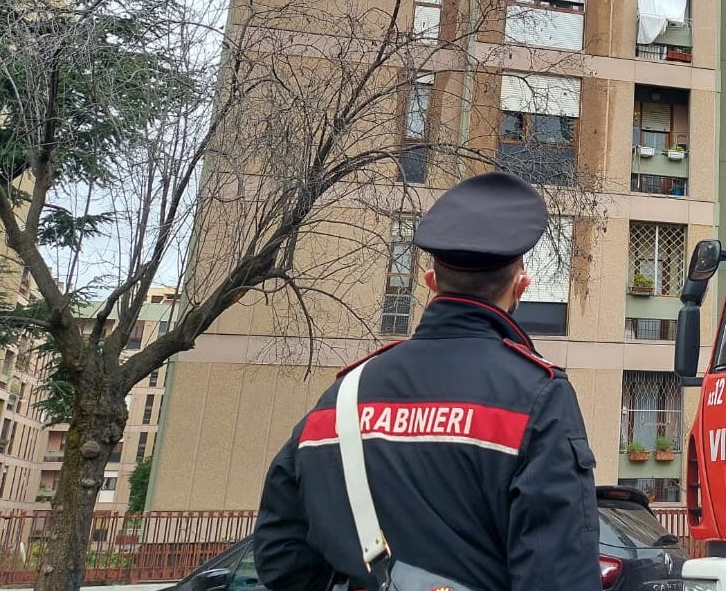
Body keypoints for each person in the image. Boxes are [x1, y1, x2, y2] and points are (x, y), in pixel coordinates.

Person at [255, 172, 600, 591]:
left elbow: (279, 553)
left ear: (430, 283)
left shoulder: (342, 395)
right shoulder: (538, 396)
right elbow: (557, 576)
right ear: (520, 287)